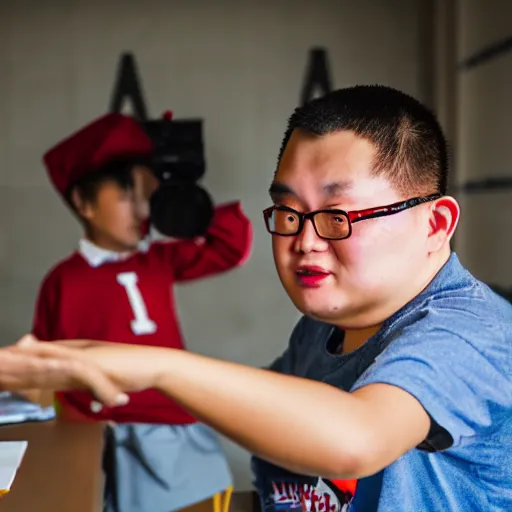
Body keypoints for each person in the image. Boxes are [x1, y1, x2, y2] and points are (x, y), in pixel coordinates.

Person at [10, 85, 512, 512]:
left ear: (435, 224)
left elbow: (358, 440)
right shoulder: (323, 329)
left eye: (338, 216)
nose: (305, 241)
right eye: (289, 212)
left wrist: (158, 367)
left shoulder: (469, 334)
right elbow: (277, 439)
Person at [31, 112, 253, 512]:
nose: (141, 209)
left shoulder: (159, 259)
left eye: (147, 196)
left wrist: (183, 198)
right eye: (125, 194)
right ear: (84, 202)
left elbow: (229, 246)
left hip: (170, 425)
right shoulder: (63, 280)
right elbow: (44, 366)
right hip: (95, 433)